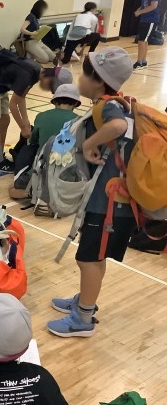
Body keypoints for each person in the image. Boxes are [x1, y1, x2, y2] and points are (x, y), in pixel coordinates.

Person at [48, 47, 134, 337]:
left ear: (98, 80)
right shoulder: (110, 102)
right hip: (108, 200)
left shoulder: (109, 108)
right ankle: (86, 301)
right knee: (95, 256)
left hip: (108, 204)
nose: (79, 80)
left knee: (88, 259)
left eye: (85, 74)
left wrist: (88, 144)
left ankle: (83, 319)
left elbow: (118, 125)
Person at [0, 54, 73, 172]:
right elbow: (13, 105)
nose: (49, 90)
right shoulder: (27, 76)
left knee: (5, 120)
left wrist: (25, 121)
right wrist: (23, 127)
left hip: (1, 88)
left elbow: (21, 97)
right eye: (51, 87)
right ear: (50, 79)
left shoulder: (36, 70)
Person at [11, 84, 81, 197]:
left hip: (41, 171)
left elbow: (32, 141)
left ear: (55, 101)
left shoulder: (41, 116)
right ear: (76, 103)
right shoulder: (79, 120)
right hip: (66, 175)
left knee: (14, 188)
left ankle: (33, 189)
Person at [134, 0, 162, 69]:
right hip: (145, 19)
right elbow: (146, 4)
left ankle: (139, 62)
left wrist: (140, 12)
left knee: (142, 41)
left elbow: (154, 5)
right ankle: (143, 61)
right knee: (143, 40)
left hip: (150, 19)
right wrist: (139, 9)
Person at [20, 0, 57, 64]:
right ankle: (31, 58)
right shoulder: (30, 16)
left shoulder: (36, 19)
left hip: (38, 41)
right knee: (45, 60)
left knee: (53, 57)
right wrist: (32, 33)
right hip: (30, 42)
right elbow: (22, 29)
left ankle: (34, 55)